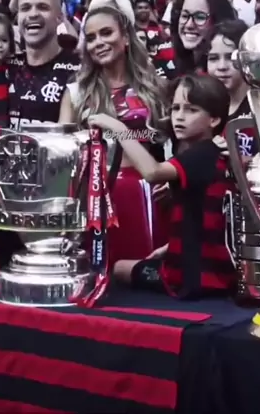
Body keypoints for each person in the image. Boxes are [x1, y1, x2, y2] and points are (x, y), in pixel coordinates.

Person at [89, 74, 236, 299]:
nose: (179, 116)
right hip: (216, 274)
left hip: (189, 278)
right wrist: (168, 248)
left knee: (118, 268)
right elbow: (206, 222)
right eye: (175, 108)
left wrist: (119, 128)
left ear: (214, 120)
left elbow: (152, 172)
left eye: (191, 110)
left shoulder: (201, 154)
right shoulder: (212, 154)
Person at [59, 0, 168, 264]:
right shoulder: (76, 93)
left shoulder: (155, 87)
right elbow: (63, 158)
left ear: (126, 37)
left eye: (106, 33)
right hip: (96, 196)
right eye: (91, 37)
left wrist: (171, 177)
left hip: (147, 194)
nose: (99, 42)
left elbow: (169, 143)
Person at [10, 0, 81, 128]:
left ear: (60, 17)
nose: (33, 14)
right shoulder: (5, 66)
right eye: (25, 8)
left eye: (43, 7)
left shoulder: (79, 71)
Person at [206, 19, 256, 157]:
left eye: (230, 57)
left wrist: (242, 161)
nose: (222, 66)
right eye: (213, 58)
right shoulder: (202, 105)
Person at [171, 0, 236, 75]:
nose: (189, 25)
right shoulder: (167, 62)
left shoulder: (227, 71)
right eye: (185, 16)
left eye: (200, 17)